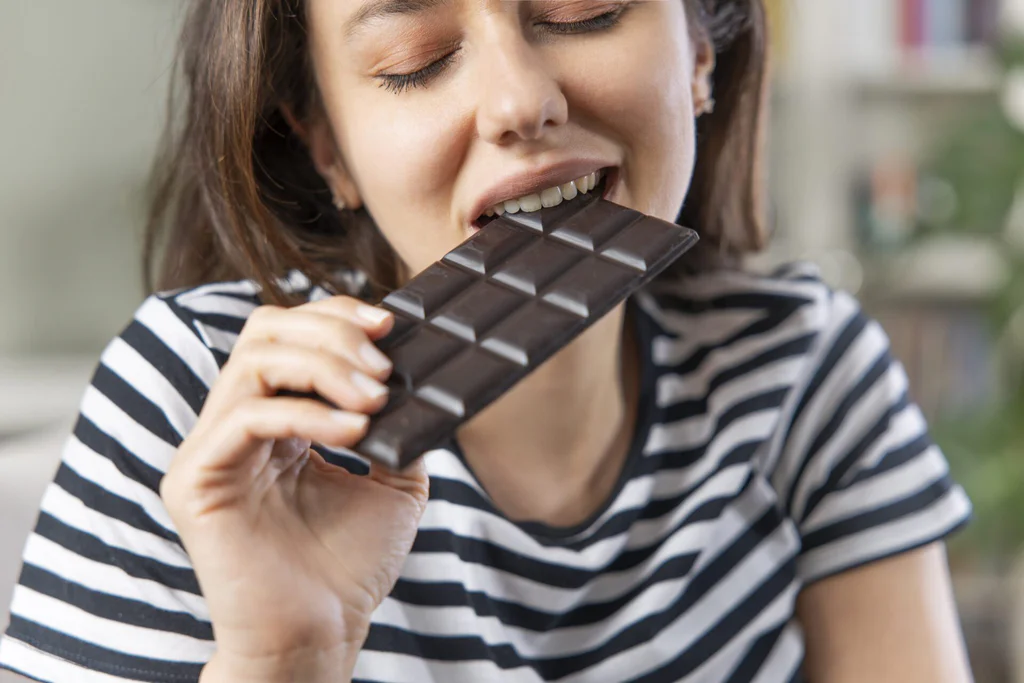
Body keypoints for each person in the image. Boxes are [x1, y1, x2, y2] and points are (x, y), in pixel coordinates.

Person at [0, 0, 975, 681]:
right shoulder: (207, 409)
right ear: (328, 146)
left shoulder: (803, 362)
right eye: (413, 61)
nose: (518, 103)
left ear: (698, 54)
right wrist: (282, 659)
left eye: (585, 9)